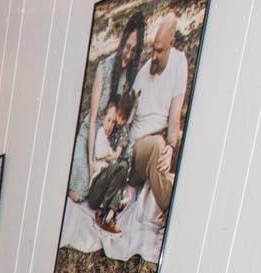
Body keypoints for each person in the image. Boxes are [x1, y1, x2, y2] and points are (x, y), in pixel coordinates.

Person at [70, 13, 145, 203]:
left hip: (108, 143)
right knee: (80, 193)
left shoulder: (131, 77)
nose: (128, 55)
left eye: (133, 51)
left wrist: (117, 152)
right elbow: (94, 119)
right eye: (127, 47)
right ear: (122, 43)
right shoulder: (104, 67)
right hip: (91, 137)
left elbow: (125, 123)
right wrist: (90, 162)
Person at [127, 11, 191, 227]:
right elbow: (126, 122)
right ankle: (174, 204)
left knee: (180, 140)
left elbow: (175, 117)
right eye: (153, 49)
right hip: (137, 149)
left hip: (160, 138)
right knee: (156, 145)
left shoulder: (179, 63)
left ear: (171, 44)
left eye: (159, 51)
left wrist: (171, 147)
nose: (154, 55)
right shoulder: (143, 75)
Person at [84, 89, 138, 232]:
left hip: (106, 183)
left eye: (116, 121)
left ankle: (107, 216)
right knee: (122, 167)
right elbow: (102, 155)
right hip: (97, 187)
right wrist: (107, 157)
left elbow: (116, 154)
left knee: (120, 175)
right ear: (104, 118)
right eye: (111, 120)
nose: (112, 125)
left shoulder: (121, 131)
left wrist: (110, 157)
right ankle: (105, 210)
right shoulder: (101, 133)